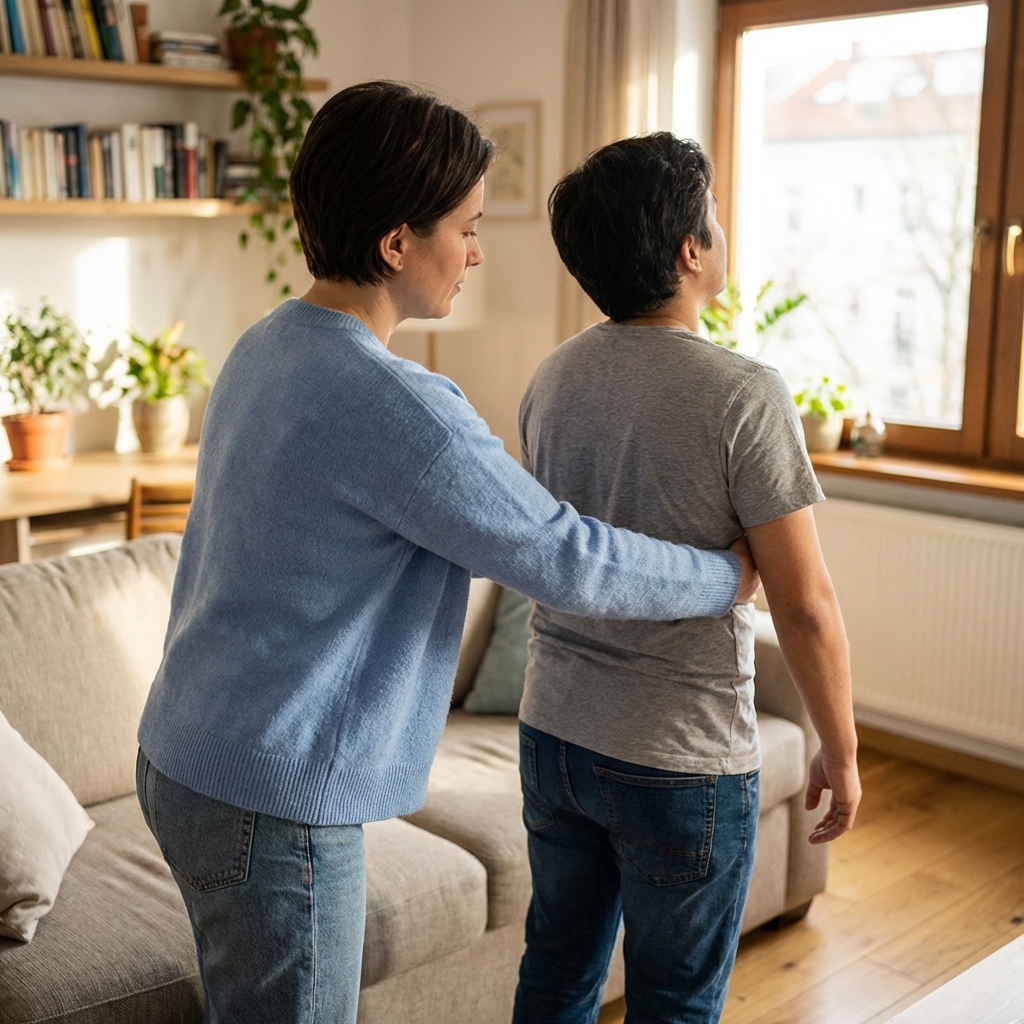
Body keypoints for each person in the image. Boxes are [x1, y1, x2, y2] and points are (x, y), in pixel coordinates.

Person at [133, 85, 759, 1024]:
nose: (474, 252)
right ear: (396, 243)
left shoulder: (267, 343)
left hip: (180, 753)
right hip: (269, 801)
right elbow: (564, 556)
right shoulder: (398, 405)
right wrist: (727, 575)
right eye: (464, 228)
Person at [512, 133, 862, 1024]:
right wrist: (842, 748)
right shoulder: (742, 394)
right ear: (688, 251)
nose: (719, 224)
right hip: (679, 755)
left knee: (556, 974)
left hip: (553, 733)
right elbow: (806, 604)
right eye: (711, 211)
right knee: (674, 1005)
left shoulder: (551, 379)